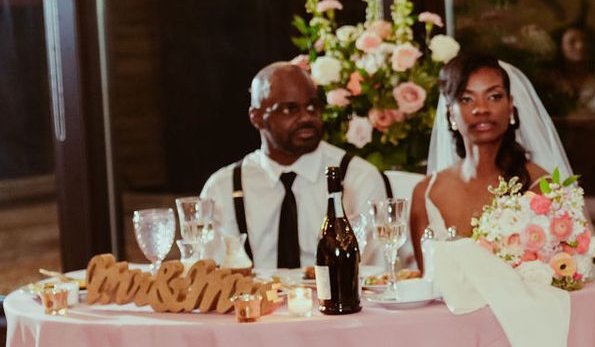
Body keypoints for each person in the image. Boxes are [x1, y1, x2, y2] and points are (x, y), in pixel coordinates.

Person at [199, 61, 388, 271]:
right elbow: (212, 275)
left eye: (312, 106)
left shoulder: (357, 178)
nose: (306, 117)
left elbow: (376, 273)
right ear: (256, 117)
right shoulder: (222, 187)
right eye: (290, 109)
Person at [409, 52, 555, 260]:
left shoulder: (541, 186)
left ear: (510, 106)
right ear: (451, 113)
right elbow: (425, 276)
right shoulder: (426, 193)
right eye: (467, 99)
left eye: (494, 96)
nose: (481, 109)